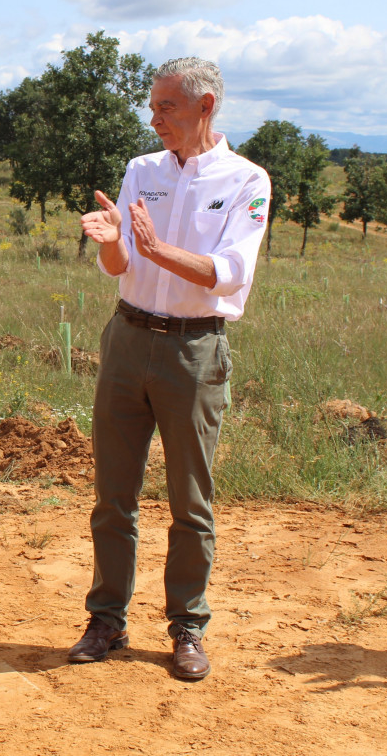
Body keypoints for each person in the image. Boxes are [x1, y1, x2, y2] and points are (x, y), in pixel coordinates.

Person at [69, 57, 269, 681]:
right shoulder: (141, 171)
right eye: (153, 107)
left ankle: (187, 626)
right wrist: (111, 241)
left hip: (194, 351)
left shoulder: (246, 181)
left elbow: (229, 272)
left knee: (190, 500)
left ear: (205, 106)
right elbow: (122, 265)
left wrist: (157, 250)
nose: (154, 119)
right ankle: (106, 618)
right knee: (113, 495)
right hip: (127, 340)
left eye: (167, 108)